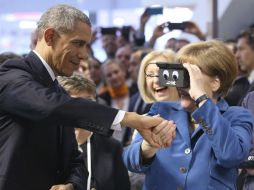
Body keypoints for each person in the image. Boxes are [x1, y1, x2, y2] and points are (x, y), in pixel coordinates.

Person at [0, 4, 176, 190]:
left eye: (87, 46)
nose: (84, 55)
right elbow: (51, 106)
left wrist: (72, 185)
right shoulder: (11, 76)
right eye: (78, 44)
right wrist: (129, 118)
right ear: (50, 36)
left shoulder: (59, 93)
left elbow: (75, 160)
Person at [123, 40, 254, 190]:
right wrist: (147, 147)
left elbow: (231, 156)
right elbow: (129, 161)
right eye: (181, 74)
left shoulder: (236, 116)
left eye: (190, 75)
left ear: (215, 83)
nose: (182, 83)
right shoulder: (162, 111)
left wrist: (201, 99)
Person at [58, 75, 130, 190]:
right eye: (75, 102)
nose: (83, 108)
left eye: (88, 101)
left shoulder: (112, 147)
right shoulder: (50, 146)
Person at [127, 49, 179, 190]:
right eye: (150, 75)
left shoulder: (201, 115)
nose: (156, 80)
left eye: (162, 73)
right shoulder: (143, 122)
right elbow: (134, 170)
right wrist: (146, 150)